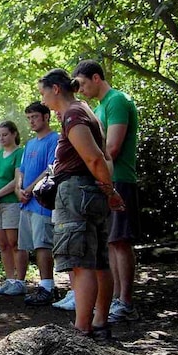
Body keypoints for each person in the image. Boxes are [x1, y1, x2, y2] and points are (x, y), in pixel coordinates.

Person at [38, 69, 125, 337]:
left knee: (81, 262)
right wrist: (106, 190)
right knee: (98, 261)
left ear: (55, 89)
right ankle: (99, 322)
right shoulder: (85, 111)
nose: (42, 101)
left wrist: (110, 191)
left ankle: (82, 328)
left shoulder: (74, 115)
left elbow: (95, 159)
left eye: (42, 93)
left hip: (78, 194)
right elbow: (103, 158)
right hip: (91, 192)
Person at [72, 60, 140, 323]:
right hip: (102, 180)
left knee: (120, 241)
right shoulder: (99, 108)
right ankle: (115, 300)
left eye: (84, 84)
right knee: (109, 242)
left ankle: (126, 302)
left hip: (119, 178)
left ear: (97, 78)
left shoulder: (117, 101)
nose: (81, 90)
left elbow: (111, 148)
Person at [12, 102, 63, 306]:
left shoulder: (55, 139)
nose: (31, 121)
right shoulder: (29, 144)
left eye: (34, 117)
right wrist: (18, 189)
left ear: (46, 117)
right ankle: (42, 285)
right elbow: (21, 169)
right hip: (26, 202)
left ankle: (47, 287)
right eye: (29, 118)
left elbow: (51, 169)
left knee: (43, 244)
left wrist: (30, 188)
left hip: (43, 200)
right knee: (27, 244)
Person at [0, 121, 24, 295]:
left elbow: (17, 180)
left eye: (5, 134)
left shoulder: (19, 153)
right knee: (2, 244)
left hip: (10, 203)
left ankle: (20, 281)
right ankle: (9, 279)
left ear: (14, 134)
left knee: (15, 242)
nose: (2, 138)